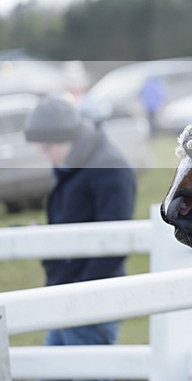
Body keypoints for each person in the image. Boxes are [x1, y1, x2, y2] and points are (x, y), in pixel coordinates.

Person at [24, 95, 136, 365]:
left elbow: (114, 243)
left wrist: (81, 291)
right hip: (66, 294)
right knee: (51, 370)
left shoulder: (108, 169)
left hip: (90, 302)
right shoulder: (76, 166)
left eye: (47, 147)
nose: (45, 155)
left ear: (65, 139)